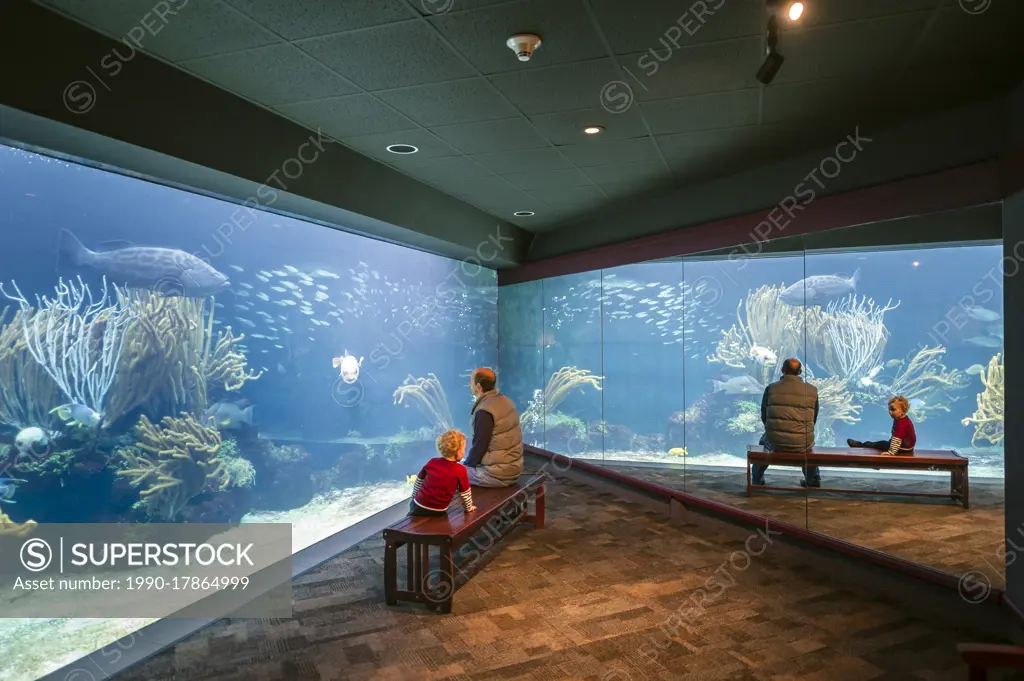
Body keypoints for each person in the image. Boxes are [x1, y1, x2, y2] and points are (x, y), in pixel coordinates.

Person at [751, 358, 821, 488]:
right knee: (808, 444)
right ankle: (813, 480)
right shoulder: (812, 390)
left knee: (764, 442)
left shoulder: (771, 388)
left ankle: (756, 479)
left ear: (782, 370)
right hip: (802, 444)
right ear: (800, 372)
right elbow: (814, 418)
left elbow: (764, 415)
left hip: (775, 443)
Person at [463, 367, 524, 488]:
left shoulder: (484, 411)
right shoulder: (506, 401)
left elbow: (479, 446)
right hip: (514, 468)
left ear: (478, 386)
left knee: (451, 472)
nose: (469, 385)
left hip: (496, 475)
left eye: (471, 382)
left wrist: (466, 464)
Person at [409, 429, 476, 516]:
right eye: (463, 449)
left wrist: (413, 496)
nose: (464, 451)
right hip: (438, 510)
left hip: (418, 504)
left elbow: (419, 480)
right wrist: (469, 508)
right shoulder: (461, 470)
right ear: (458, 451)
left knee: (411, 514)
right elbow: (465, 493)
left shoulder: (432, 462)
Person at [847, 395, 916, 455]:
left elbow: (897, 439)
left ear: (903, 411)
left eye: (893, 409)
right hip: (906, 447)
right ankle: (862, 445)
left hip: (903, 448)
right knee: (881, 443)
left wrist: (891, 452)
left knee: (878, 444)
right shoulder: (901, 419)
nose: (890, 411)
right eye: (889, 409)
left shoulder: (902, 424)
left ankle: (860, 445)